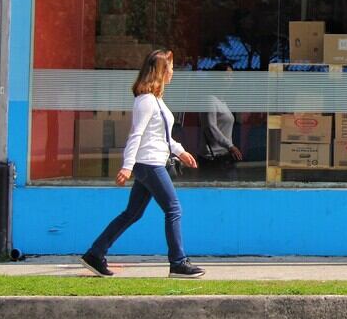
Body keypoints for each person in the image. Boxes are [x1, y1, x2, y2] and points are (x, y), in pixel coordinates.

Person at [80, 49, 205, 279]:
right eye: (170, 68)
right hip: (149, 164)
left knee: (132, 213)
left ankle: (95, 254)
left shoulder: (155, 100)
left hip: (152, 161)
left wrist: (180, 152)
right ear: (161, 71)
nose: (173, 72)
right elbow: (136, 135)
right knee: (173, 209)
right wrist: (127, 166)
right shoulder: (146, 101)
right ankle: (178, 263)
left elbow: (161, 136)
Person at [198, 62, 243, 179]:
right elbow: (210, 127)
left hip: (224, 156)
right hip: (213, 158)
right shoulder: (210, 100)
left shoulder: (222, 102)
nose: (230, 79)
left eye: (231, 77)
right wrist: (230, 146)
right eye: (226, 76)